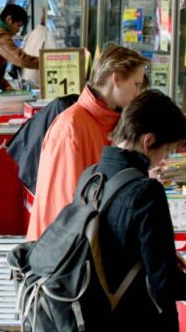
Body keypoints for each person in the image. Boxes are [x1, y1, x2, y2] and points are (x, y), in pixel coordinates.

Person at [89, 90, 186, 330]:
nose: (164, 161)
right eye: (167, 151)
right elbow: (165, 284)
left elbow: (115, 248)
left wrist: (160, 256)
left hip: (99, 314)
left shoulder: (91, 176)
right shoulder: (146, 193)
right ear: (148, 141)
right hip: (137, 317)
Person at [26, 45, 150, 240]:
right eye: (136, 84)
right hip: (66, 257)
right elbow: (66, 206)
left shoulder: (107, 121)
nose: (138, 93)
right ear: (116, 78)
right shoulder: (71, 126)